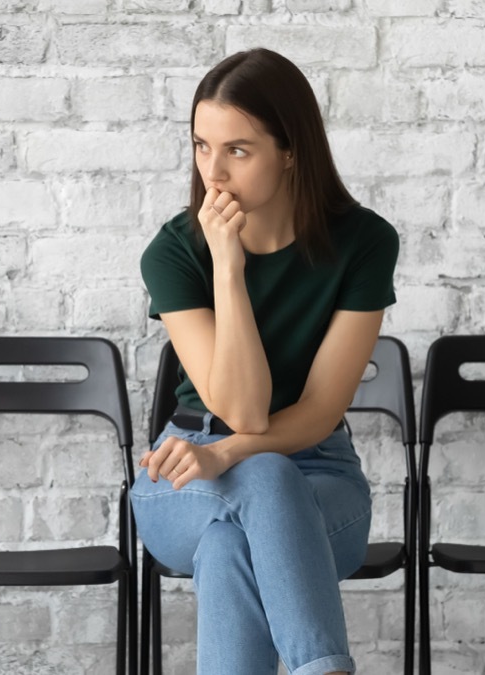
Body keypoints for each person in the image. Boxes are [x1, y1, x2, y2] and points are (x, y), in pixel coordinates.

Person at [131, 48, 399, 675]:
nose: (214, 172)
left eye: (238, 150)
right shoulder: (175, 253)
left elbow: (317, 411)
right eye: (202, 147)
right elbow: (242, 408)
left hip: (317, 470)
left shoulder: (364, 243)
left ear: (290, 151)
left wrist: (228, 454)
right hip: (185, 474)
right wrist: (228, 266)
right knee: (260, 484)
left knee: (234, 539)